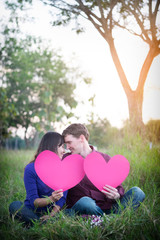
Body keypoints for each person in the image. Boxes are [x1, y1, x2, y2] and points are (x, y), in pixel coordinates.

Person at [62, 123, 145, 216]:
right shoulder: (66, 160)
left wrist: (116, 195)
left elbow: (118, 186)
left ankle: (105, 219)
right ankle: (112, 220)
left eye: (69, 142)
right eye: (66, 144)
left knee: (138, 192)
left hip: (110, 207)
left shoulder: (105, 159)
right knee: (85, 202)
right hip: (86, 208)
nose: (67, 147)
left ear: (81, 138)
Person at [9, 132, 67, 226]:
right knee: (14, 206)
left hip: (53, 213)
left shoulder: (63, 170)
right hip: (32, 210)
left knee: (71, 212)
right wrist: (51, 198)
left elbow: (61, 199)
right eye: (62, 146)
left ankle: (37, 223)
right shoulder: (31, 169)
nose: (64, 151)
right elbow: (34, 202)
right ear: (52, 147)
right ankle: (41, 223)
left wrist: (51, 215)